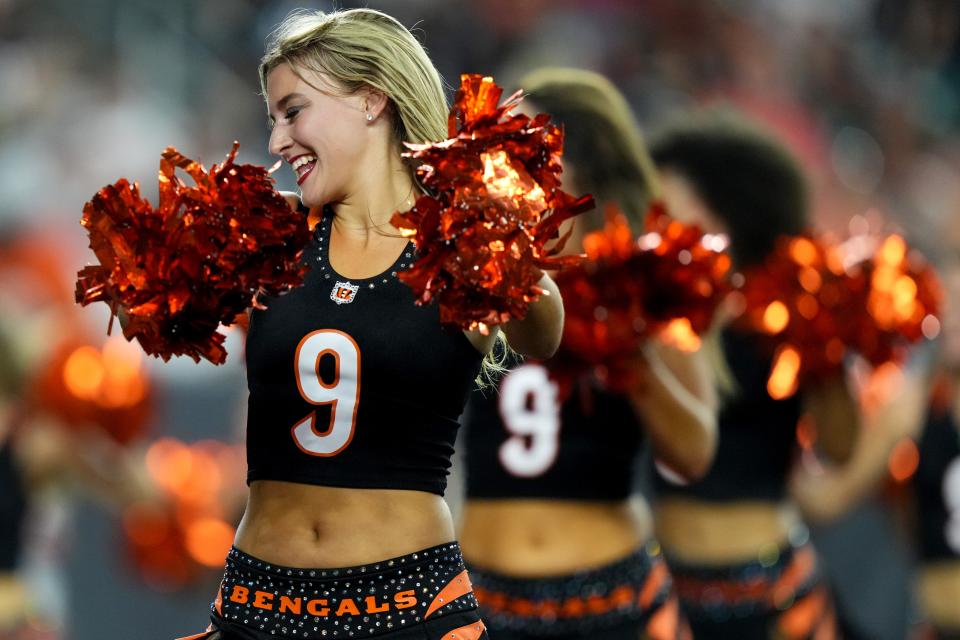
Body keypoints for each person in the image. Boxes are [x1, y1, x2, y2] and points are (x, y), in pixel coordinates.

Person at [176, 8, 565, 640]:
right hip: (256, 602)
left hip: (406, 609)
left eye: (293, 111)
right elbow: (148, 307)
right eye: (272, 118)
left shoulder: (456, 241)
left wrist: (499, 242)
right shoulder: (264, 236)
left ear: (370, 99)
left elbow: (542, 334)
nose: (276, 141)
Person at [458, 68, 717, 640]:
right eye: (500, 155)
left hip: (612, 602)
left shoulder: (642, 284)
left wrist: (629, 355)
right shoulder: (468, 275)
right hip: (484, 602)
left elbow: (694, 454)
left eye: (531, 156)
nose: (508, 175)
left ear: (586, 172)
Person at [648, 109, 860, 639]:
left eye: (672, 204)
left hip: (773, 593)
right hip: (667, 592)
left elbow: (839, 447)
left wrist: (826, 347)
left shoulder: (790, 312)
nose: (653, 217)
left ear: (726, 213)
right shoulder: (645, 311)